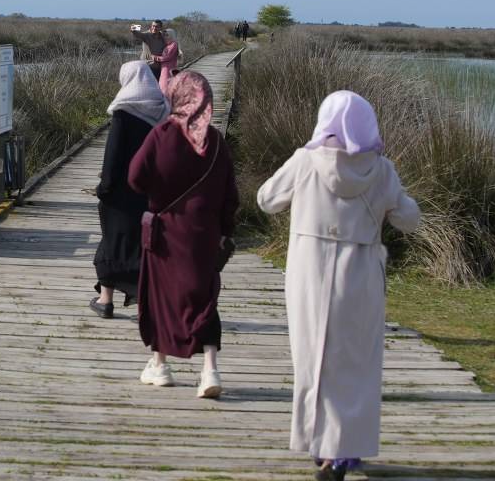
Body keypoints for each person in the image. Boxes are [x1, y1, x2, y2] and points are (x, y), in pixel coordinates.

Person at [256, 91, 420, 481]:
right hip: (360, 273)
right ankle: (344, 450)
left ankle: (319, 443)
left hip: (308, 272)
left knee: (313, 356)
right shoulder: (381, 169)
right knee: (356, 363)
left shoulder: (304, 161)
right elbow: (409, 220)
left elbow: (266, 200)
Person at [128, 71, 238, 399]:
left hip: (165, 232)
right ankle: (209, 370)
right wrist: (225, 231)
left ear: (175, 96)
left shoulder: (161, 134)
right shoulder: (216, 141)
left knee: (160, 297)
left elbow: (135, 177)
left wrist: (156, 195)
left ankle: (160, 365)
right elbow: (231, 195)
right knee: (204, 298)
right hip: (204, 233)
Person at [90, 60, 170, 318]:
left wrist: (104, 188)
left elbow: (112, 156)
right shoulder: (161, 110)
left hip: (120, 192)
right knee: (141, 243)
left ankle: (105, 300)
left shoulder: (124, 112)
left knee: (112, 242)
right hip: (148, 190)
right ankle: (143, 301)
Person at [156, 27, 180, 95]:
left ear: (172, 35)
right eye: (165, 35)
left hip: (168, 69)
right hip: (164, 68)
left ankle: (167, 101)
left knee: (165, 86)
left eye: (167, 35)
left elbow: (167, 57)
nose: (165, 37)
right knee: (163, 85)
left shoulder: (174, 44)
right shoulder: (168, 45)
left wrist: (155, 58)